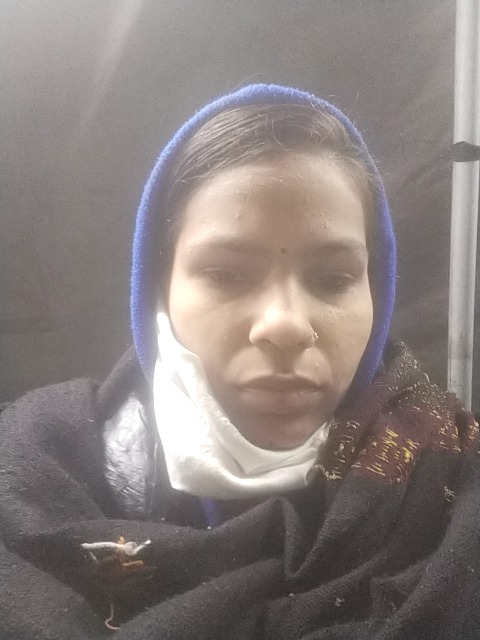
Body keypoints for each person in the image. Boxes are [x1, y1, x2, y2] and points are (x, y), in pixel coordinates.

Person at [0, 84, 479, 640]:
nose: (285, 324)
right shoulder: (38, 467)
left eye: (333, 278)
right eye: (226, 274)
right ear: (159, 290)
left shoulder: (452, 484)